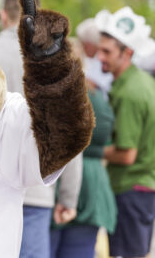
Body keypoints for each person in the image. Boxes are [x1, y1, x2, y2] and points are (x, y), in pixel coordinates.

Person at [0, 0, 82, 257]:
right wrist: (69, 197)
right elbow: (69, 127)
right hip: (37, 187)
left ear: (3, 15)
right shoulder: (57, 60)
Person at [95, 7, 155, 258]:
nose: (99, 56)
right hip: (141, 190)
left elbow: (127, 154)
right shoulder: (142, 82)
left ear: (127, 53)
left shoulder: (130, 92)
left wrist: (91, 149)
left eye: (107, 51)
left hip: (130, 190)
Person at [49, 37, 117, 258]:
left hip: (60, 179)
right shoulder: (98, 99)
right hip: (93, 182)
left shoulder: (55, 97)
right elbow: (107, 136)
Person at [76, 18, 114, 99]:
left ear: (90, 44)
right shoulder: (90, 58)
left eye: (84, 45)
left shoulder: (106, 59)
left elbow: (109, 84)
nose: (83, 48)